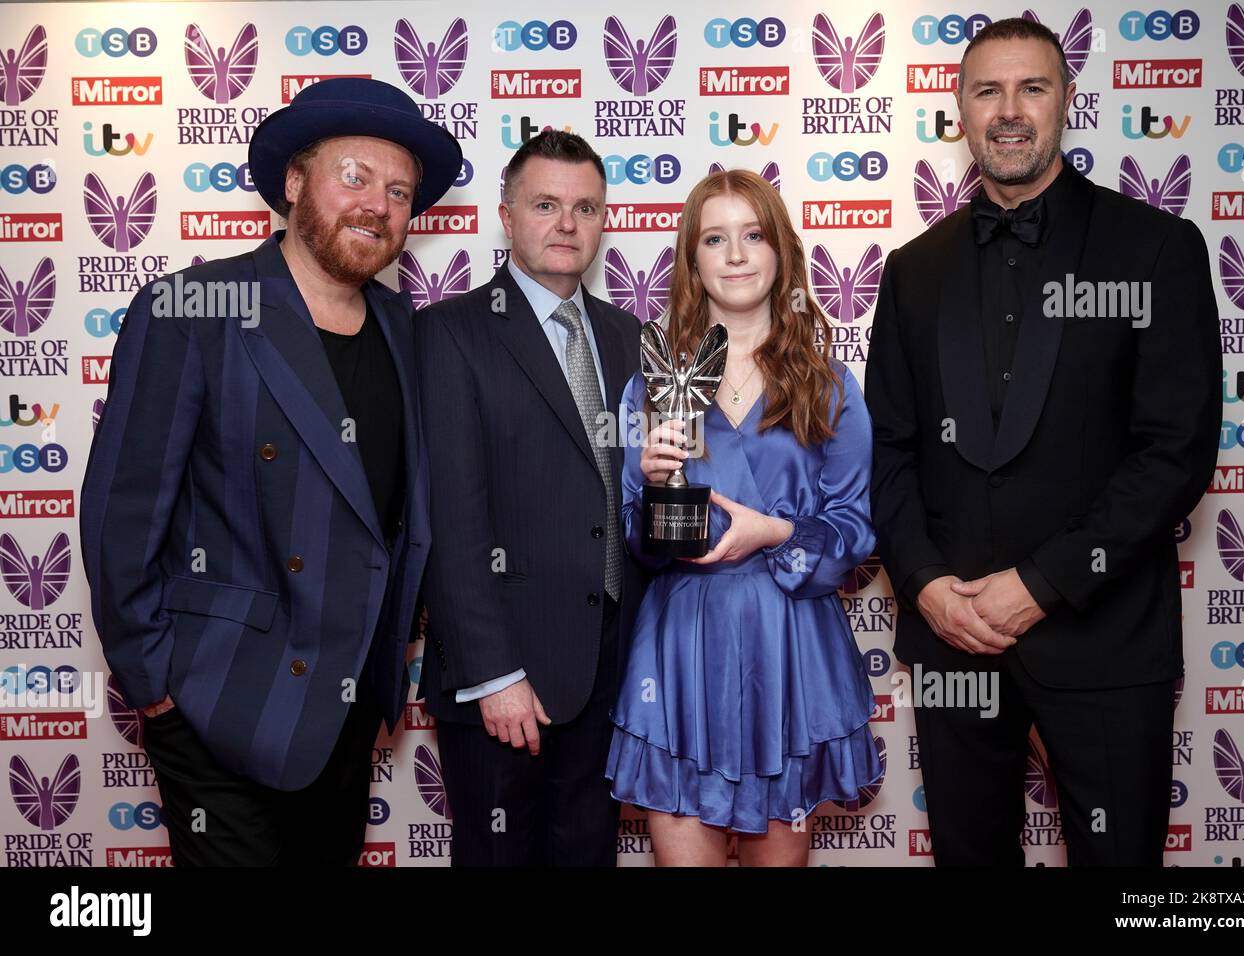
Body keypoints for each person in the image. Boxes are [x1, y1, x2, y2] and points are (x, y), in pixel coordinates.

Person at [864, 18, 1221, 866]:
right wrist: (924, 588)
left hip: (1103, 638)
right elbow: (886, 450)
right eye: (988, 90)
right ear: (960, 111)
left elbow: (1174, 451)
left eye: (1033, 87)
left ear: (1068, 100)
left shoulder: (1156, 248)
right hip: (954, 642)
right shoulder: (913, 270)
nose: (1010, 110)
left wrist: (1043, 583)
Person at [80, 77, 462, 865]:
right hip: (222, 703)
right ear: (294, 182)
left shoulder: (402, 325)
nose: (377, 206)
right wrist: (157, 688)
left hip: (348, 711)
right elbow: (125, 513)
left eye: (398, 191)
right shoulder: (194, 308)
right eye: (353, 176)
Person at [606, 169, 882, 866]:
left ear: (780, 251)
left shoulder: (826, 380)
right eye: (715, 239)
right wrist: (651, 485)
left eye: (753, 235)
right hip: (682, 647)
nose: (735, 254)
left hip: (788, 645)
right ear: (692, 261)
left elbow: (855, 529)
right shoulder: (654, 380)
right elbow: (640, 541)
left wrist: (778, 533)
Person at [416, 131, 643, 866]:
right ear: (507, 215)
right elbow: (451, 520)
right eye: (546, 205)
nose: (568, 224)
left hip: (607, 666)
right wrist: (494, 674)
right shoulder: (448, 334)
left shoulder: (630, 337)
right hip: (503, 676)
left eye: (585, 207)